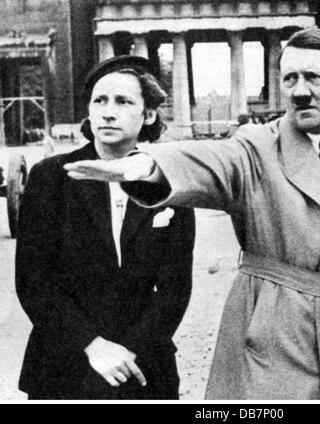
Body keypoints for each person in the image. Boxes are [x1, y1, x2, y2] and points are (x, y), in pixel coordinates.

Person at [65, 27, 320, 400]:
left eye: (313, 77)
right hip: (277, 335)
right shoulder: (256, 145)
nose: (299, 91)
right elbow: (212, 161)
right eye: (289, 79)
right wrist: (145, 165)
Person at [15, 55, 195, 400]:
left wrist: (128, 352)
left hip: (143, 368)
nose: (108, 112)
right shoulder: (51, 177)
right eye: (100, 101)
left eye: (123, 102)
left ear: (149, 114)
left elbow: (175, 289)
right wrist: (93, 346)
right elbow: (33, 282)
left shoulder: (169, 180)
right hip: (64, 364)